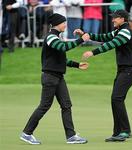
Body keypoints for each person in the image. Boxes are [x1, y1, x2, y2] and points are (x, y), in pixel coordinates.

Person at [20, 13, 89, 145]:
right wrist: (82, 40)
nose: (65, 24)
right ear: (57, 23)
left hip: (58, 77)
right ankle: (27, 133)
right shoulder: (51, 37)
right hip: (50, 77)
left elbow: (61, 59)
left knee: (66, 105)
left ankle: (71, 136)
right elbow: (63, 47)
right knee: (45, 105)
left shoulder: (56, 38)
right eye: (64, 22)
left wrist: (77, 65)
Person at [74, 9, 132, 142]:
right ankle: (118, 132)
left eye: (115, 18)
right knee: (115, 99)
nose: (113, 20)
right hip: (123, 70)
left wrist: (93, 52)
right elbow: (103, 37)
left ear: (122, 19)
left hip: (129, 71)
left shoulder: (125, 31)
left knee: (117, 99)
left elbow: (111, 44)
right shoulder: (118, 30)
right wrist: (85, 34)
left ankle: (125, 131)